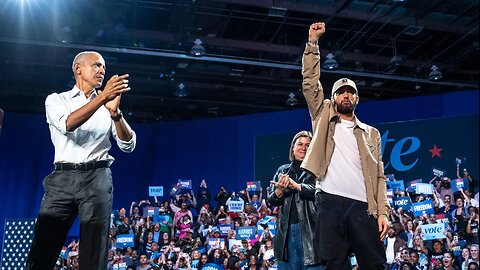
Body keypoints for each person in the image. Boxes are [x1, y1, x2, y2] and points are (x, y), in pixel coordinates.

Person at [26, 51, 136, 270]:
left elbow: (128, 145)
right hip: (62, 179)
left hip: (97, 178)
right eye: (96, 66)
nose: (101, 71)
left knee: (94, 253)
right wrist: (103, 98)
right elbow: (68, 124)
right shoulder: (56, 100)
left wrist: (115, 114)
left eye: (103, 68)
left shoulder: (107, 105)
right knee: (43, 248)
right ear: (78, 68)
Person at [300, 22, 390, 269]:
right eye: (341, 92)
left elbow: (380, 177)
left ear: (357, 99)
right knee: (334, 264)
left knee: (374, 264)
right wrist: (313, 43)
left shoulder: (371, 133)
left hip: (363, 206)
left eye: (351, 93)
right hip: (330, 202)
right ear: (333, 98)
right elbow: (310, 82)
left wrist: (383, 212)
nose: (346, 96)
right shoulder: (322, 115)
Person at [268, 131, 322, 270]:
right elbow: (272, 200)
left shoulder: (319, 170)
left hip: (311, 232)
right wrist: (279, 191)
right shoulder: (282, 170)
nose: (303, 148)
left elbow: (322, 194)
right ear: (293, 147)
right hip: (286, 233)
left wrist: (297, 186)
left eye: (307, 145)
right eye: (300, 144)